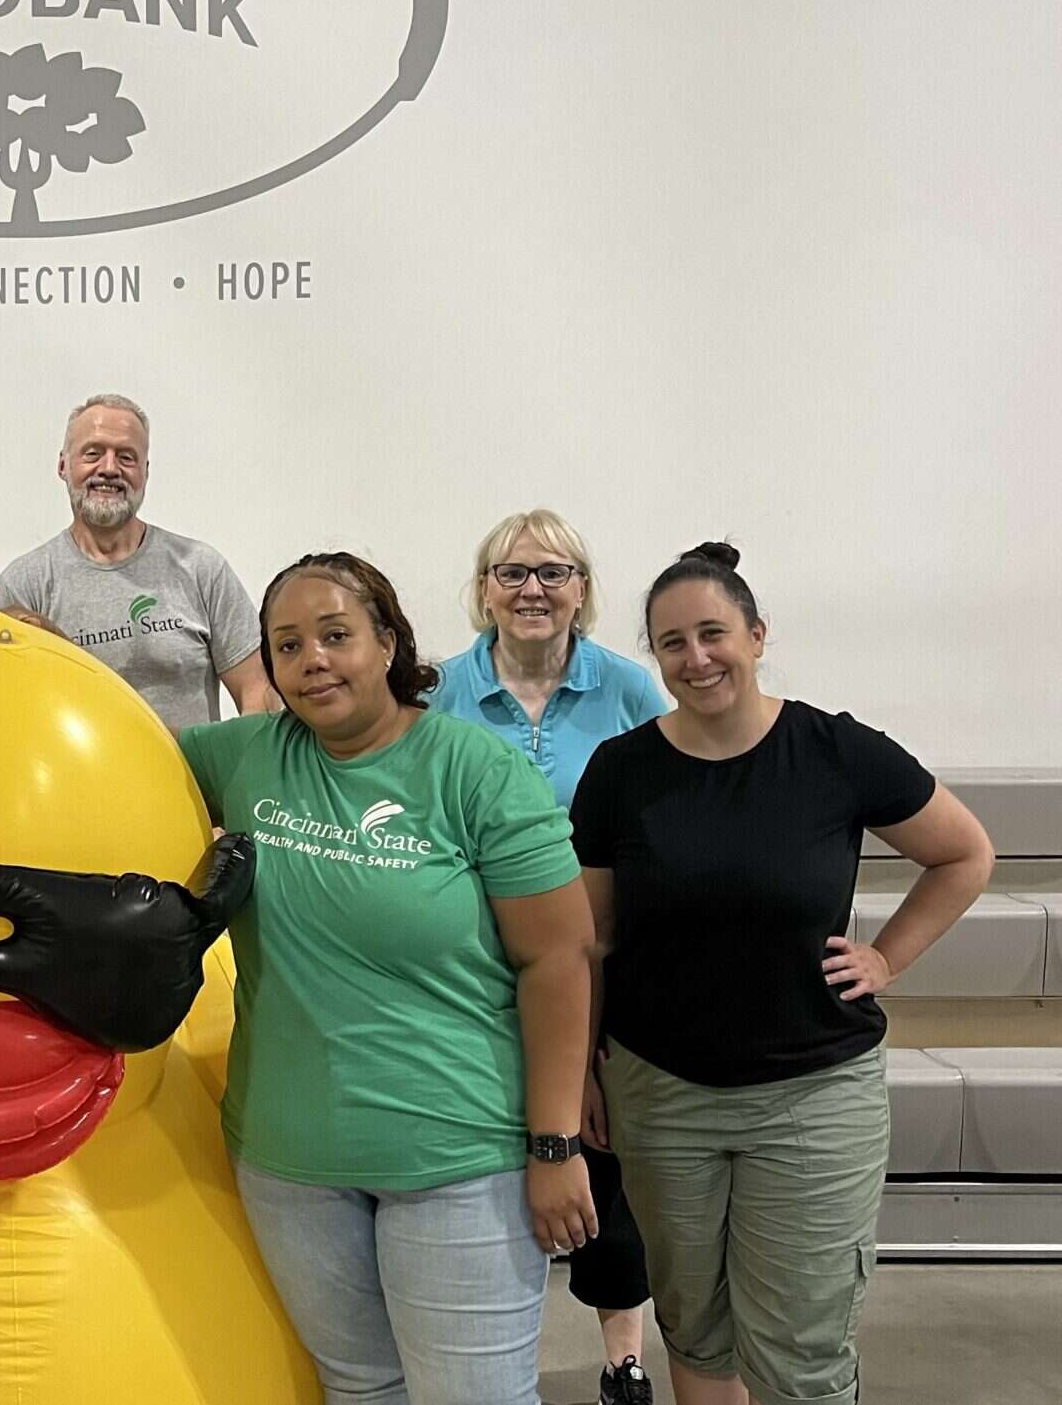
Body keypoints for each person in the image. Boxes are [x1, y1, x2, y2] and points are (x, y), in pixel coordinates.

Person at [572, 543, 994, 1405]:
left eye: (713, 633)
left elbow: (964, 852)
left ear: (757, 635)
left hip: (813, 1096)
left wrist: (887, 956)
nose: (696, 658)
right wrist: (584, 1068)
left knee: (801, 1346)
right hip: (661, 1092)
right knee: (694, 1322)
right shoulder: (621, 771)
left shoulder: (836, 750)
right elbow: (594, 938)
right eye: (672, 643)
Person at [176, 551, 597, 1405]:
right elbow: (110, 746)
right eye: (287, 646)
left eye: (336, 635)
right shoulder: (246, 756)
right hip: (290, 1162)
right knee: (361, 1390)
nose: (312, 661)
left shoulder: (474, 771)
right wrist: (47, 657)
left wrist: (555, 1144)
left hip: (456, 1156)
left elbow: (557, 959)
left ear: (389, 642)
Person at [431, 510, 668, 1405]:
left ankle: (623, 1360)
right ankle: (495, 1362)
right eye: (513, 572)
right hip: (475, 965)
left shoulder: (627, 689)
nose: (533, 589)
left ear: (583, 590)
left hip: (599, 962)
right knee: (497, 1160)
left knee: (603, 1163)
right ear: (483, 588)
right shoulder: (440, 690)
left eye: (554, 572)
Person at [0, 393, 273, 729]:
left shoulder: (201, 568)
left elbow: (258, 692)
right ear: (63, 466)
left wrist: (243, 767)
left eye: (126, 457)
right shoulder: (25, 584)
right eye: (92, 453)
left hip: (189, 782)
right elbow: (7, 711)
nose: (109, 469)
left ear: (145, 471)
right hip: (75, 783)